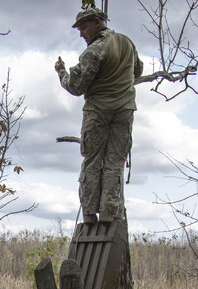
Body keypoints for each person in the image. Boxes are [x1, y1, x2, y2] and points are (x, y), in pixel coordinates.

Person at [54, 7, 143, 224]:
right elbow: (137, 71)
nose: (81, 34)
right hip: (124, 111)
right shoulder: (127, 43)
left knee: (93, 160)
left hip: (98, 112)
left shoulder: (94, 50)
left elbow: (76, 87)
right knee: (115, 163)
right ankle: (109, 211)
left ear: (97, 22)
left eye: (83, 27)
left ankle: (89, 213)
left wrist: (61, 72)